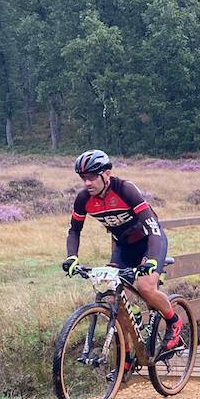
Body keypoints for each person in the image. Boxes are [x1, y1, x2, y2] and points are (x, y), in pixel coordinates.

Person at [61, 149, 184, 351]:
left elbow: (153, 226)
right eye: (83, 178)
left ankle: (173, 321)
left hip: (149, 241)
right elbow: (74, 230)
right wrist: (72, 258)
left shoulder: (125, 190)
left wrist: (152, 260)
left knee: (145, 287)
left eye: (92, 177)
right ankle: (125, 357)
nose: (87, 183)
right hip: (123, 246)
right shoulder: (83, 199)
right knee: (111, 297)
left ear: (107, 173)